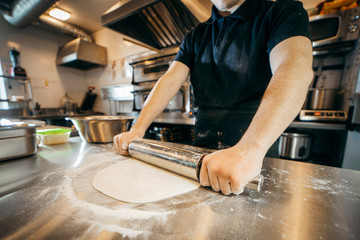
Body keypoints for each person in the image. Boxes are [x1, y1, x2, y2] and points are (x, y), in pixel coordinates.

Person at [113, 0, 313, 195]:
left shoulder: (281, 11)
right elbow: (169, 80)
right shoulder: (196, 36)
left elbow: (293, 67)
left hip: (255, 156)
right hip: (202, 154)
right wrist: (137, 129)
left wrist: (249, 150)